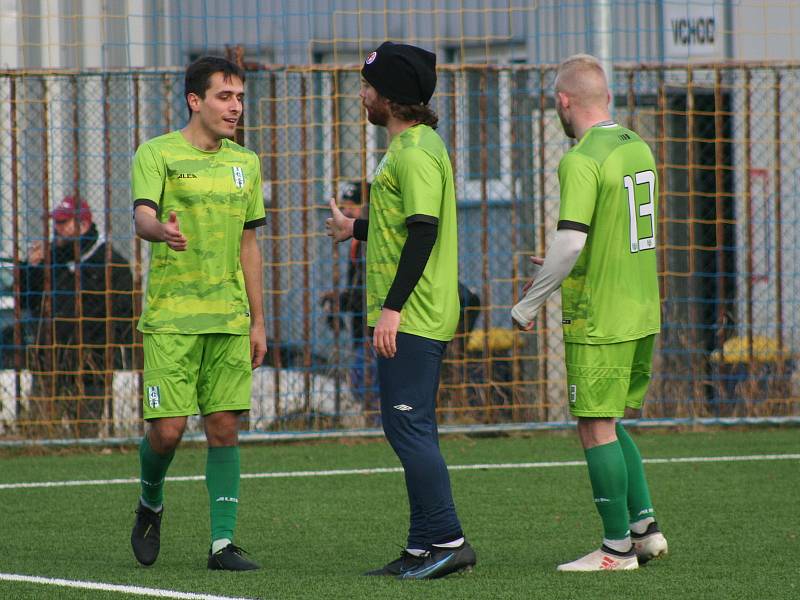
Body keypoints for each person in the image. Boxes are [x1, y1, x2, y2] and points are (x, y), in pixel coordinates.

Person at [511, 54, 668, 571]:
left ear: (563, 101)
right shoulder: (637, 146)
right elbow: (608, 234)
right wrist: (562, 257)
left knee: (594, 425)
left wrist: (529, 302)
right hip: (642, 307)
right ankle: (644, 530)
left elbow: (572, 243)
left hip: (600, 314)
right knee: (611, 420)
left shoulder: (580, 158)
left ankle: (615, 550)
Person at [326, 41, 476, 579]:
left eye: (367, 87)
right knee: (408, 427)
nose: (361, 95)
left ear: (389, 97)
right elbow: (401, 223)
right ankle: (420, 547)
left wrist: (392, 309)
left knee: (407, 427)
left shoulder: (414, 152)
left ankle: (450, 541)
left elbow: (422, 234)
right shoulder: (412, 148)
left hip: (412, 315)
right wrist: (355, 228)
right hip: (409, 313)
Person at [129, 56, 267, 571]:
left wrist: (258, 319)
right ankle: (150, 501)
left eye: (239, 98)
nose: (235, 107)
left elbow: (250, 245)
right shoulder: (156, 153)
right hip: (170, 319)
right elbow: (143, 214)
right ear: (195, 100)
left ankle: (222, 544)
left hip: (228, 318)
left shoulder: (246, 163)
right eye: (224, 97)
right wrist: (160, 230)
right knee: (167, 432)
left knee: (224, 429)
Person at [21, 195, 133, 437]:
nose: (56, 228)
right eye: (56, 222)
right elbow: (27, 302)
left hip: (93, 362)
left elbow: (125, 317)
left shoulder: (112, 262)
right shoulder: (50, 259)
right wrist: (31, 268)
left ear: (82, 225)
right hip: (49, 361)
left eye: (63, 222)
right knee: (38, 432)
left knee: (85, 434)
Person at [320, 181, 378, 412]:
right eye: (343, 207)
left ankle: (375, 422)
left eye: (352, 207)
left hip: (371, 326)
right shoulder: (356, 240)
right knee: (362, 382)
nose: (345, 213)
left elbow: (365, 290)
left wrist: (340, 301)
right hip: (360, 326)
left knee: (364, 381)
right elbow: (357, 288)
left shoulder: (368, 240)